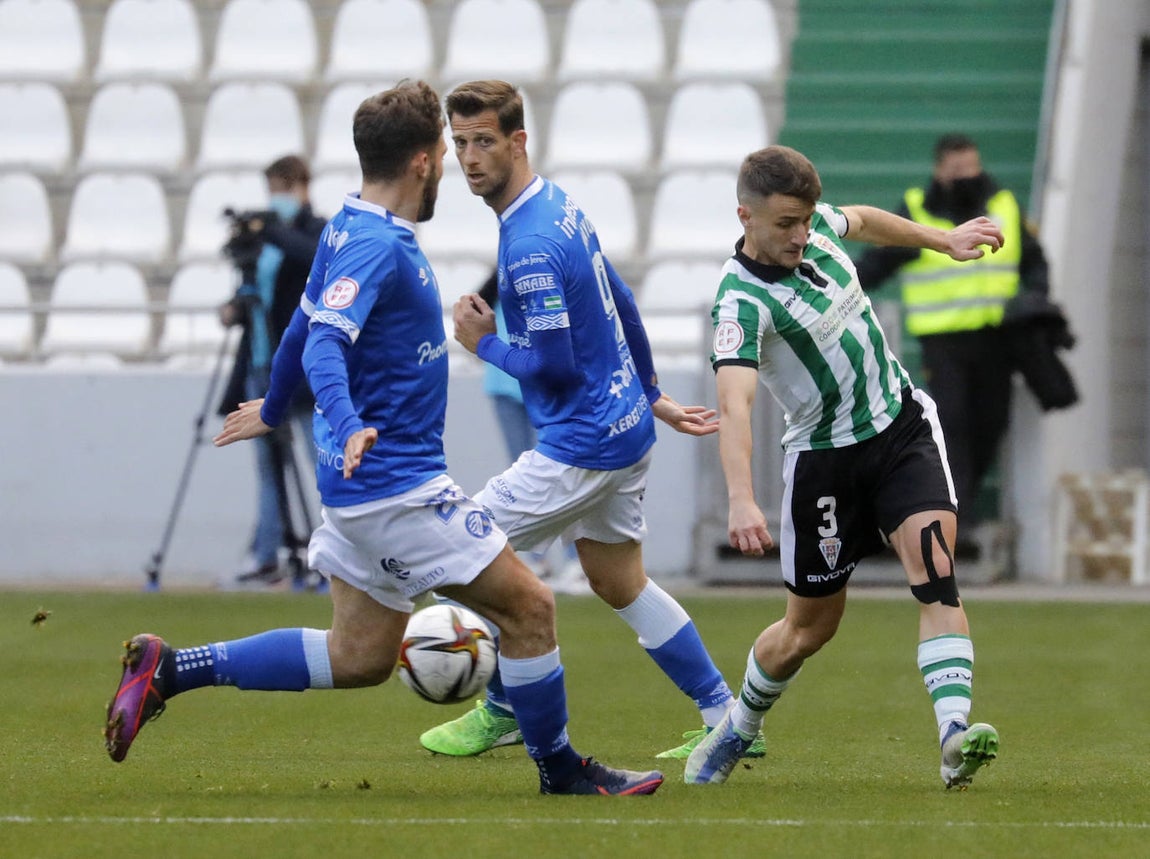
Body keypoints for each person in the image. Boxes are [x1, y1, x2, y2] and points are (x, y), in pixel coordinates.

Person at [103, 81, 663, 797]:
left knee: (360, 653)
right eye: (447, 150)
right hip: (395, 485)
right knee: (531, 608)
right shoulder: (376, 245)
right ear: (425, 161)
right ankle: (563, 770)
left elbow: (304, 323)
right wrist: (341, 418)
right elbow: (326, 346)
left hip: (358, 488)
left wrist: (276, 408)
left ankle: (172, 668)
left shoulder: (346, 224)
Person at [417, 79, 763, 763]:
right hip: (626, 427)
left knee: (457, 553)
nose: (470, 158)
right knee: (618, 581)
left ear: (519, 141)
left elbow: (551, 367)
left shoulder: (530, 244)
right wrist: (653, 393)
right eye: (460, 144)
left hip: (583, 444)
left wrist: (480, 342)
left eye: (484, 141)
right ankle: (725, 712)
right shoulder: (560, 206)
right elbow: (621, 297)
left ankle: (501, 706)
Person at [683, 145, 1001, 789]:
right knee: (808, 629)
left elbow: (860, 216)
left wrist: (942, 240)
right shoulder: (739, 303)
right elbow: (735, 406)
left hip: (900, 428)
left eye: (805, 220)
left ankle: (953, 738)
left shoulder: (817, 226)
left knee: (936, 572)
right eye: (784, 225)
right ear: (745, 216)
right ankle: (740, 726)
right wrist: (742, 498)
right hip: (824, 464)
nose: (801, 234)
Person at [853, 133, 1052, 558]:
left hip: (996, 338)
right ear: (940, 170)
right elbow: (881, 259)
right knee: (953, 424)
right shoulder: (919, 209)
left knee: (991, 423)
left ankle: (958, 505)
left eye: (973, 167)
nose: (969, 176)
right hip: (943, 342)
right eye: (959, 169)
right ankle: (952, 515)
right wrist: (843, 286)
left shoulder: (1003, 204)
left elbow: (1033, 260)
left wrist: (1034, 298)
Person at [217, 154, 326, 587]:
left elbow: (314, 257)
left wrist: (272, 230)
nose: (276, 198)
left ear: (302, 186)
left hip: (298, 366)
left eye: (283, 188)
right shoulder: (263, 240)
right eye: (271, 189)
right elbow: (249, 292)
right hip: (259, 363)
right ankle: (266, 556)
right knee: (267, 465)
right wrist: (231, 309)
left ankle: (330, 550)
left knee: (320, 461)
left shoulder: (315, 229)